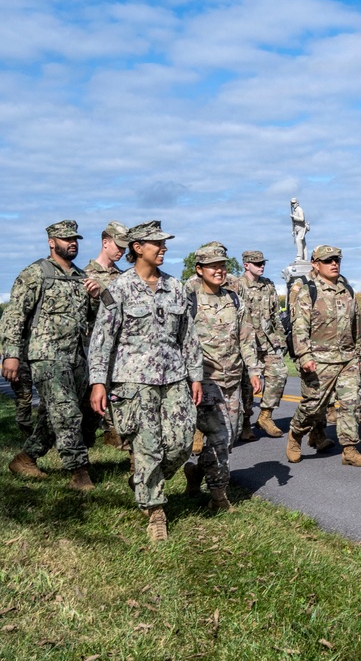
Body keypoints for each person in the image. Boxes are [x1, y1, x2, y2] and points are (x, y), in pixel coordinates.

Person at [89, 221, 203, 542]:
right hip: (133, 382)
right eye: (157, 243)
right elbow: (102, 339)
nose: (164, 248)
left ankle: (143, 479)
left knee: (182, 443)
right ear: (138, 248)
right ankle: (155, 513)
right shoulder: (119, 289)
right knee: (147, 446)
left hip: (174, 378)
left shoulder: (176, 287)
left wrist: (196, 376)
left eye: (164, 243)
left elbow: (188, 336)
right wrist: (98, 381)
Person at [2, 220, 100, 489]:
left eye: (75, 239)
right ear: (51, 241)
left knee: (54, 414)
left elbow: (91, 318)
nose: (72, 243)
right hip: (46, 356)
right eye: (66, 238)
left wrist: (94, 298)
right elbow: (14, 315)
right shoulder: (35, 273)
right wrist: (10, 354)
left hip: (77, 357)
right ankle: (79, 473)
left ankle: (26, 458)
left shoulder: (82, 277)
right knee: (66, 413)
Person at [184, 245, 262, 511]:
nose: (219, 271)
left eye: (222, 266)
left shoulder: (234, 299)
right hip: (205, 380)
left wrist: (253, 370)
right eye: (212, 266)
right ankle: (219, 496)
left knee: (230, 436)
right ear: (199, 270)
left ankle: (196, 472)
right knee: (219, 435)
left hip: (232, 380)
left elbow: (246, 337)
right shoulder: (190, 299)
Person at [285, 245, 361, 467]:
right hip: (318, 359)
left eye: (337, 260)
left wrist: (358, 356)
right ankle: (296, 434)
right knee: (313, 405)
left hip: (347, 358)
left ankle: (350, 449)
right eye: (328, 260)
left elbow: (356, 325)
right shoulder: (307, 290)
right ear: (315, 263)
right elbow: (299, 327)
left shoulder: (347, 288)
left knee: (351, 403)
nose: (334, 263)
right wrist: (304, 356)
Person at [83, 220, 130, 448]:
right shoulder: (85, 275)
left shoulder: (122, 277)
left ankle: (118, 441)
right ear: (105, 242)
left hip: (121, 350)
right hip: (95, 349)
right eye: (118, 246)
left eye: (124, 248)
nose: (121, 251)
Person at [237, 250, 287, 439]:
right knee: (247, 386)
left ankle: (266, 415)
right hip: (247, 343)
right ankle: (245, 423)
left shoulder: (269, 285)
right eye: (257, 263)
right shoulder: (238, 286)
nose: (261, 266)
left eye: (262, 263)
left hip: (268, 341)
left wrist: (281, 337)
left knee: (279, 374)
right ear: (246, 265)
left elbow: (275, 314)